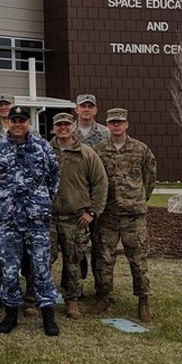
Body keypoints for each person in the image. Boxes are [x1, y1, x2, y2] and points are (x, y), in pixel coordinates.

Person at [0, 105, 60, 336]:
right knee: (9, 268)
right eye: (14, 120)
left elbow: (54, 178)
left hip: (36, 219)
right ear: (9, 122)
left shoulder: (43, 147)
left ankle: (48, 314)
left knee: (41, 268)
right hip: (8, 219)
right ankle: (10, 314)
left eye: (22, 120)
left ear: (29, 122)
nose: (17, 124)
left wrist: (40, 201)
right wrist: (5, 201)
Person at [91, 108, 157, 322]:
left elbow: (150, 177)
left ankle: (143, 301)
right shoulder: (99, 150)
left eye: (120, 122)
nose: (116, 126)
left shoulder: (140, 149)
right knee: (104, 258)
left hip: (133, 215)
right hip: (108, 214)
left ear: (126, 124)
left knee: (138, 260)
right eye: (112, 123)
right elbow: (94, 179)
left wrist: (138, 199)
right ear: (107, 125)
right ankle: (103, 296)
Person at [48, 112, 107, 319]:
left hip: (76, 218)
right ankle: (36, 298)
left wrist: (92, 212)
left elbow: (100, 184)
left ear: (72, 127)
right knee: (42, 259)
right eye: (59, 125)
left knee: (73, 261)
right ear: (54, 128)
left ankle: (71, 300)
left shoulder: (86, 153)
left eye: (66, 124)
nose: (63, 128)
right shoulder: (45, 151)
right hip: (49, 216)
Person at [71, 94, 110, 285]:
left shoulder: (105, 133)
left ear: (95, 110)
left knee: (100, 246)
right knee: (76, 246)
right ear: (76, 109)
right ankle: (76, 287)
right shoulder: (68, 131)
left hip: (98, 198)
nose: (86, 109)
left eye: (90, 106)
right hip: (77, 198)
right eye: (82, 106)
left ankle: (101, 287)